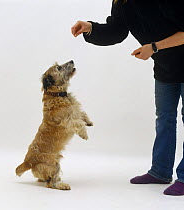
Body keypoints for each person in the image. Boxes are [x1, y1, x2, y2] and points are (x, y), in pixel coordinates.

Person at [71, 0, 184, 196]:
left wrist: (154, 47)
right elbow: (117, 31)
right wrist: (90, 29)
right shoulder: (121, 2)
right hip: (166, 67)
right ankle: (160, 172)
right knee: (164, 119)